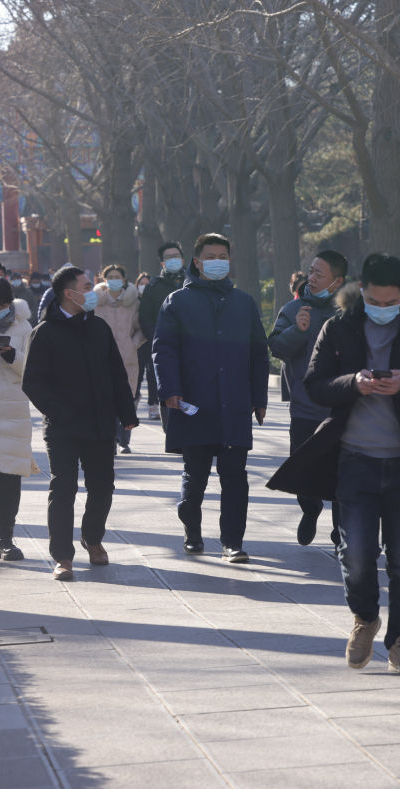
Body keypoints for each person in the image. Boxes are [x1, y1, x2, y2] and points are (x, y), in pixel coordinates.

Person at [268, 253, 400, 675]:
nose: (383, 309)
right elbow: (315, 384)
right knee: (356, 555)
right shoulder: (339, 327)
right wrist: (353, 382)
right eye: (375, 300)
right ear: (361, 292)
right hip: (355, 460)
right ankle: (365, 618)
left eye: (391, 302)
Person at [153, 233, 269, 564]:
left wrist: (259, 398)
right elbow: (163, 350)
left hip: (234, 404)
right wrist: (170, 390)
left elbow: (259, 353)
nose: (218, 261)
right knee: (196, 477)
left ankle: (232, 542)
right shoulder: (177, 302)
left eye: (223, 255)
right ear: (198, 261)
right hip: (194, 404)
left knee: (236, 478)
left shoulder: (243, 303)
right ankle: (191, 527)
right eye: (211, 255)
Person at [22, 266, 138, 580]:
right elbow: (32, 382)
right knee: (63, 488)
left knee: (102, 486)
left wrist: (127, 413)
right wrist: (58, 412)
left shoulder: (98, 327)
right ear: (69, 293)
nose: (92, 290)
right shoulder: (44, 332)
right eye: (86, 286)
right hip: (63, 426)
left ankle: (92, 537)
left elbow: (116, 373)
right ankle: (63, 555)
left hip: (100, 423)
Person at [268, 250, 348, 548]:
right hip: (304, 406)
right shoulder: (293, 309)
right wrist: (296, 330)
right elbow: (275, 347)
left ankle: (342, 531)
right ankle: (310, 510)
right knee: (304, 471)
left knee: (344, 473)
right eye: (311, 271)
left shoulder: (350, 312)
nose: (312, 278)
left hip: (342, 408)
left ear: (337, 281)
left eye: (320, 274)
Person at [0, 276, 34, 565]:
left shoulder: (24, 327)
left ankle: (6, 539)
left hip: (15, 413)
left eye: (2, 304)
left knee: (11, 481)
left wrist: (13, 357)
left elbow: (34, 367)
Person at [93, 265, 146, 454]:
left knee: (126, 398)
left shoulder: (134, 303)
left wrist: (133, 344)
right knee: (105, 399)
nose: (114, 279)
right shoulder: (95, 302)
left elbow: (142, 328)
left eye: (118, 277)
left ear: (124, 280)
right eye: (110, 277)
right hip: (101, 358)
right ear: (104, 279)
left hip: (127, 357)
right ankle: (110, 439)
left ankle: (124, 439)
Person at [139, 242, 188, 424]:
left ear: (183, 259)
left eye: (176, 256)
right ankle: (170, 428)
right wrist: (156, 341)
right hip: (164, 348)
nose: (173, 260)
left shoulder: (192, 283)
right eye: (168, 257)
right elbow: (145, 317)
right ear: (162, 263)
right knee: (166, 388)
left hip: (192, 347)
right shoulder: (154, 287)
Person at [133, 273, 159, 419]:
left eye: (146, 283)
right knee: (136, 373)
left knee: (152, 375)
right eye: (141, 283)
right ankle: (134, 397)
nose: (143, 286)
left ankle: (153, 403)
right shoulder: (133, 301)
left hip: (152, 340)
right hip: (137, 343)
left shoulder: (154, 301)